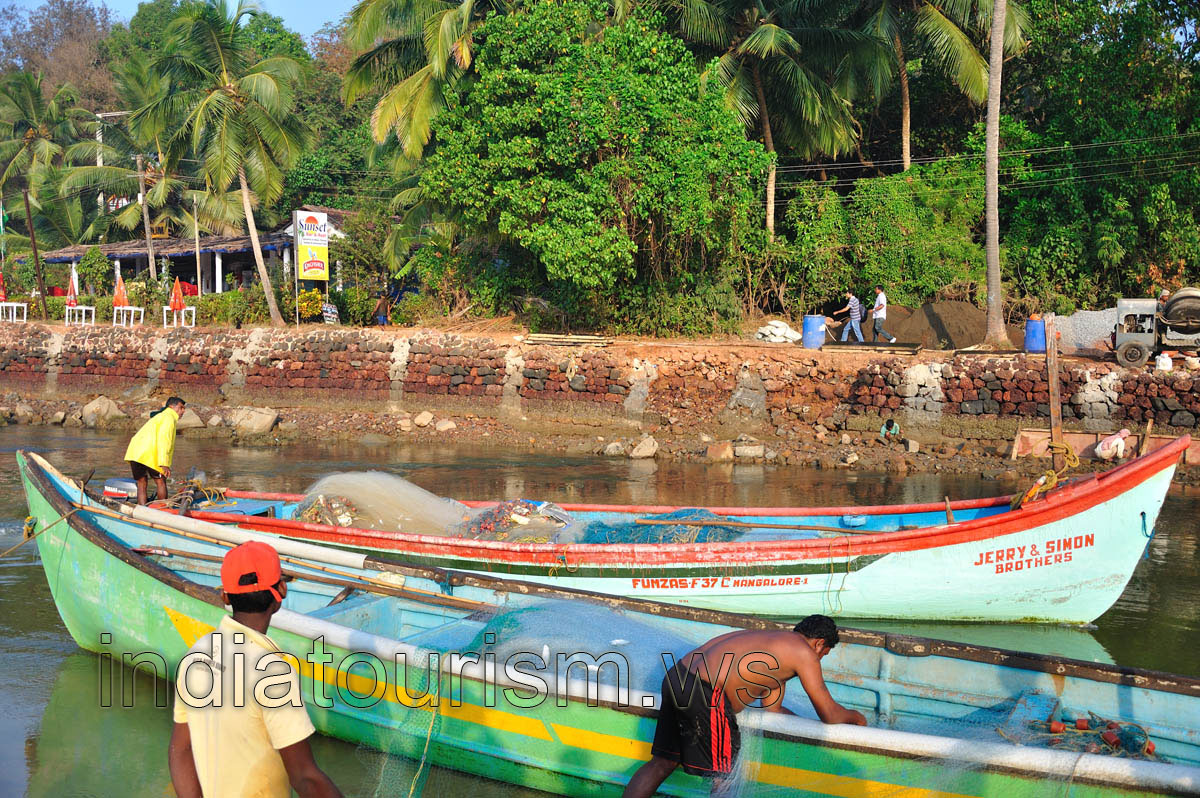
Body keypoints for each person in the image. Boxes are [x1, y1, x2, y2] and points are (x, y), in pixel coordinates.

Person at [169, 541, 343, 798]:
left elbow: (180, 751)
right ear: (280, 592)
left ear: (225, 596)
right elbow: (305, 778)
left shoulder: (197, 653)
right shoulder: (273, 671)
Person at [623, 615, 866, 797]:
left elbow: (773, 708)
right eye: (824, 654)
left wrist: (796, 720)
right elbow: (829, 713)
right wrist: (857, 718)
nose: (820, 660)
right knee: (725, 775)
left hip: (678, 676)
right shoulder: (805, 652)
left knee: (662, 763)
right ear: (819, 644)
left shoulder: (773, 643)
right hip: (706, 693)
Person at [123, 396, 185, 505]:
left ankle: (142, 509)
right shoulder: (169, 418)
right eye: (181, 408)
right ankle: (163, 509)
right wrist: (163, 463)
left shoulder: (160, 416)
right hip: (150, 453)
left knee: (141, 482)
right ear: (172, 407)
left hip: (135, 452)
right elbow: (164, 440)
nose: (183, 411)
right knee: (160, 481)